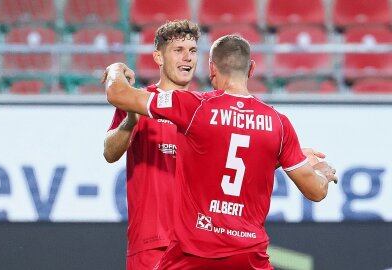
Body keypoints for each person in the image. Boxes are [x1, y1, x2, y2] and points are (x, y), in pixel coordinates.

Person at [103, 35, 338, 269]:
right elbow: (316, 192)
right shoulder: (278, 123)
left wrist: (115, 69)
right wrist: (322, 172)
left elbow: (118, 94)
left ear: (212, 68)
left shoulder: (196, 108)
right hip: (249, 255)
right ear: (252, 68)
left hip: (195, 252)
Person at [103, 20, 200, 270]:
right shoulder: (137, 101)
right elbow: (109, 153)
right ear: (158, 57)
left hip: (198, 244)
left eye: (193, 50)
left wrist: (282, 159)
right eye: (178, 50)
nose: (187, 57)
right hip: (151, 244)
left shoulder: (205, 108)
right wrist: (130, 122)